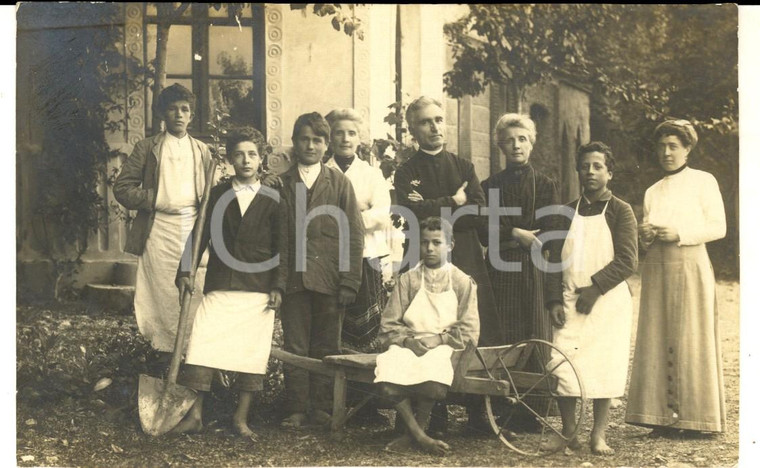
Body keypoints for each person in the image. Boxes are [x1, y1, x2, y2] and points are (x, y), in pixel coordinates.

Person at [172, 127, 287, 436]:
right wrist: (186, 270)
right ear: (229, 159)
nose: (246, 160)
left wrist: (278, 286)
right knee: (201, 343)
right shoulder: (219, 194)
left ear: (262, 158)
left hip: (258, 287)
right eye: (239, 154)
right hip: (221, 282)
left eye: (252, 154)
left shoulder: (274, 197)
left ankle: (240, 418)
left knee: (252, 351)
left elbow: (284, 247)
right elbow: (199, 236)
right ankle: (195, 415)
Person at [394, 96, 499, 433]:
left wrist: (431, 206)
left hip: (464, 257)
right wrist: (453, 202)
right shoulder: (406, 172)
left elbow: (479, 213)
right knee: (424, 329)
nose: (435, 127)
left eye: (439, 119)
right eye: (426, 122)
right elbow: (409, 215)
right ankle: (431, 417)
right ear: (413, 130)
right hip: (421, 258)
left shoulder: (464, 167)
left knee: (469, 331)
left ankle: (478, 415)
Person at [625, 120, 727, 437]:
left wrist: (680, 233)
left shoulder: (703, 181)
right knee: (657, 333)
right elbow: (647, 232)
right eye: (661, 146)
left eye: (673, 146)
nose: (666, 152)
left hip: (691, 262)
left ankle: (695, 419)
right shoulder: (653, 191)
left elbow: (719, 227)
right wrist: (645, 234)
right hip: (657, 264)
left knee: (691, 336)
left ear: (686, 149)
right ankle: (659, 417)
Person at [544, 142, 638, 455]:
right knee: (564, 363)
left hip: (607, 302)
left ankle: (598, 435)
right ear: (578, 171)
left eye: (598, 166)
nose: (591, 172)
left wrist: (596, 288)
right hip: (571, 299)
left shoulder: (620, 211)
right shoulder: (565, 213)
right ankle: (569, 431)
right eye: (585, 166)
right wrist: (555, 300)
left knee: (604, 365)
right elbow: (553, 259)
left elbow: (627, 260)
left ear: (609, 173)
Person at [113, 83, 213, 371]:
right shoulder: (148, 147)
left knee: (196, 290)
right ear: (163, 114)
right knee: (162, 294)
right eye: (173, 109)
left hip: (193, 229)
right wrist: (154, 197)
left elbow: (210, 196)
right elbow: (122, 188)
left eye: (185, 109)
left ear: (192, 115)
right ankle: (164, 358)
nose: (179, 115)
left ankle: (195, 360)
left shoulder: (202, 151)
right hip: (158, 230)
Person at [278, 112, 365, 428]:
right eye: (304, 139)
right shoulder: (282, 183)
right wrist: (279, 281)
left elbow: (354, 233)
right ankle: (297, 409)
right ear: (294, 142)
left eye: (317, 140)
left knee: (327, 344)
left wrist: (349, 281)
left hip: (330, 279)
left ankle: (322, 407)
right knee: (296, 344)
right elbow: (278, 236)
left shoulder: (339, 183)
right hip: (294, 280)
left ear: (326, 145)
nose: (310, 145)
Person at [478, 113, 562, 431]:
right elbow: (486, 230)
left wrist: (511, 230)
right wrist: (517, 233)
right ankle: (504, 407)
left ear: (532, 143)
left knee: (535, 333)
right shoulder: (489, 187)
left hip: (535, 269)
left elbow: (551, 230)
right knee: (504, 335)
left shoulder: (545, 185)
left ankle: (535, 410)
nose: (516, 145)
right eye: (510, 140)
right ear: (500, 145)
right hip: (500, 272)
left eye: (522, 139)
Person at [374, 217, 479, 455]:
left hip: (445, 345)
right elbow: (389, 324)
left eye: (436, 242)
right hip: (410, 343)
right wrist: (408, 341)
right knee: (389, 377)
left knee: (433, 379)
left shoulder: (462, 282)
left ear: (450, 245)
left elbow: (470, 329)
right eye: (424, 243)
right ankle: (421, 437)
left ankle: (412, 434)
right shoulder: (408, 280)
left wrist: (440, 340)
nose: (429, 248)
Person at [324, 108, 391, 351]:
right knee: (333, 319)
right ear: (330, 138)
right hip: (330, 258)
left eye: (351, 133)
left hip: (366, 255)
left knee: (366, 322)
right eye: (339, 133)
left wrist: (345, 221)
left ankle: (363, 385)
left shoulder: (371, 174)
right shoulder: (323, 173)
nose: (345, 139)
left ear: (359, 137)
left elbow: (382, 214)